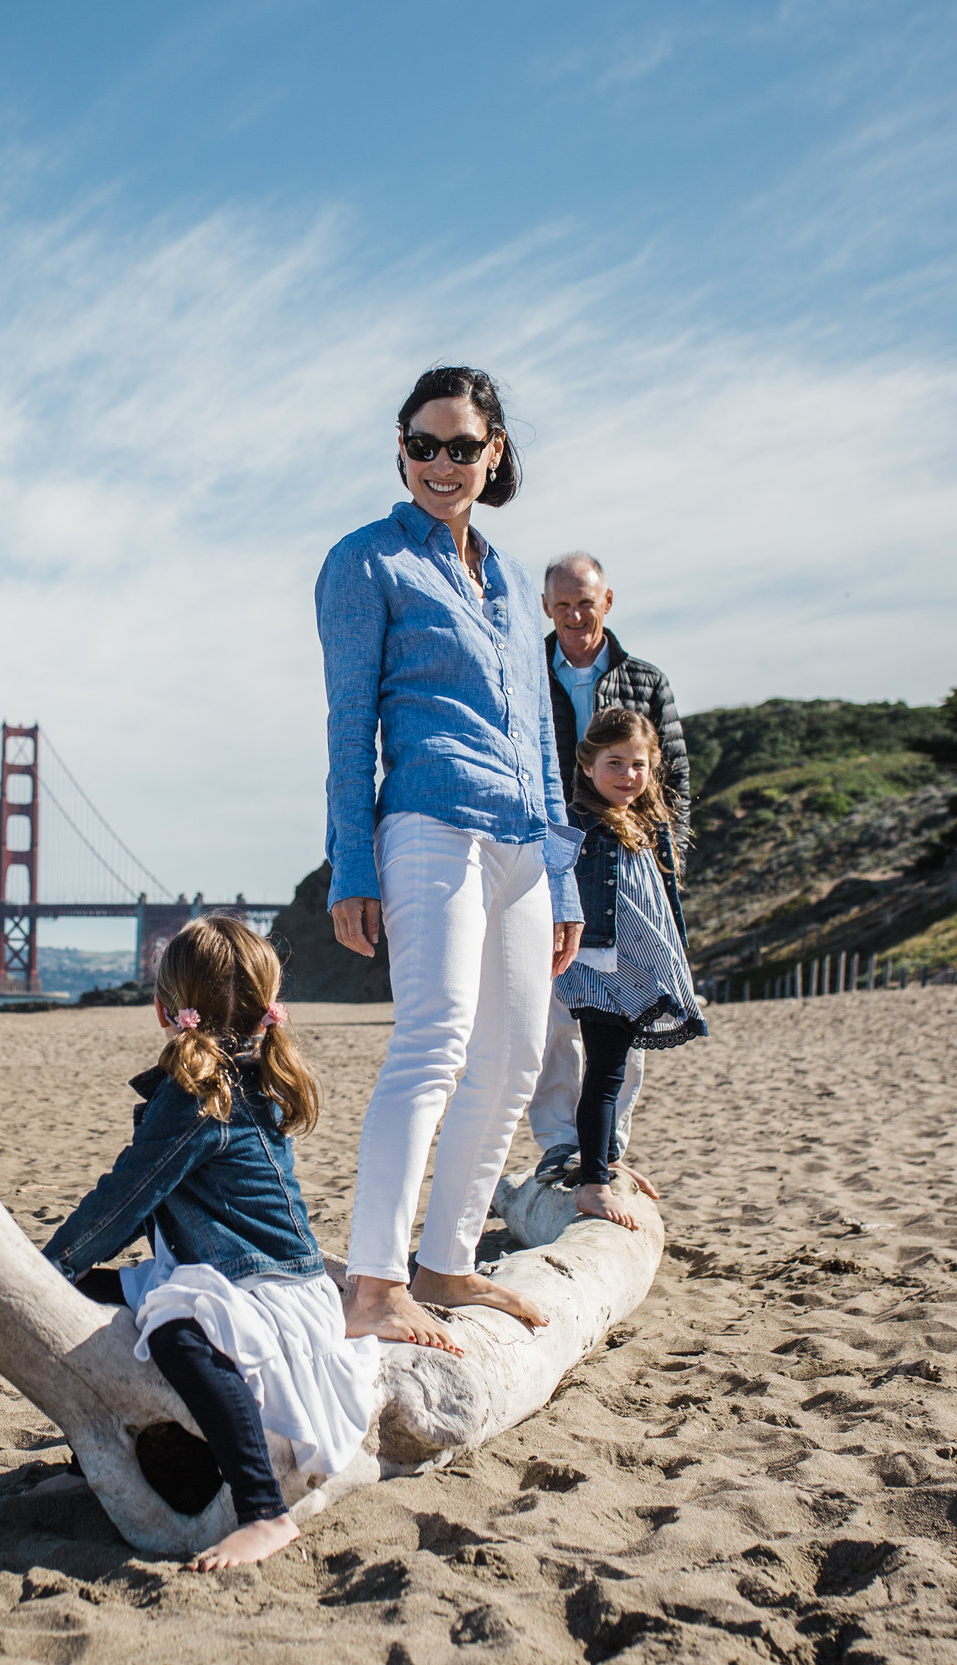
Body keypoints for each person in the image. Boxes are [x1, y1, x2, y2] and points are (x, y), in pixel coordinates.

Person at [318, 365, 585, 1354]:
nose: (440, 463)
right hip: (429, 824)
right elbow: (350, 728)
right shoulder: (365, 563)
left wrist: (557, 874)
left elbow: (543, 744)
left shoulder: (517, 583)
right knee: (433, 1042)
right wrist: (352, 864)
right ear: (401, 451)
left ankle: (446, 1262)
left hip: (521, 841)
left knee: (513, 1057)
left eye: (460, 446)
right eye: (422, 445)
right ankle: (376, 1282)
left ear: (493, 453)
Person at [42, 916, 382, 1571]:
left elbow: (125, 1195)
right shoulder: (240, 1073)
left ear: (164, 1007)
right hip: (222, 1265)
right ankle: (93, 1456)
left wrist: (47, 1264)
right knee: (83, 1295)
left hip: (262, 1285)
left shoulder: (199, 1094)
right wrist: (63, 1272)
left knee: (174, 1327)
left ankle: (264, 1511)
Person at [526, 553, 690, 1182]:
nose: (574, 615)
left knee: (630, 999)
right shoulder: (525, 672)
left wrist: (650, 852)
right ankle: (558, 1144)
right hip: (547, 857)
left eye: (585, 603)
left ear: (608, 601)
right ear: (546, 606)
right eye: (562, 604)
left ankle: (609, 1145)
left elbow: (671, 775)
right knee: (554, 1011)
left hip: (626, 858)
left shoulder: (645, 680)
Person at [551, 708, 705, 1229]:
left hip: (630, 966)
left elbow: (660, 905)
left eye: (638, 765)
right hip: (598, 968)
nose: (627, 775)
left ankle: (604, 1161)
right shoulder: (579, 823)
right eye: (614, 763)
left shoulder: (646, 823)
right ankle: (593, 1182)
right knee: (603, 1073)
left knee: (611, 1074)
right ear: (587, 764)